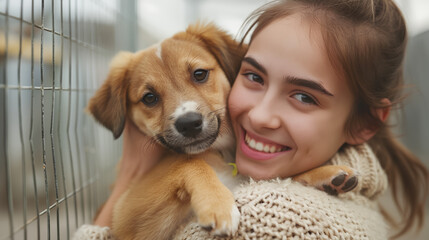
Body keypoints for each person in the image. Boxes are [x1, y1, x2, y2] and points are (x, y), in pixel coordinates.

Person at [73, 0, 429, 239]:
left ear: (363, 122)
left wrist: (133, 176)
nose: (259, 115)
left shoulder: (269, 220)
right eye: (255, 78)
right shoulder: (334, 176)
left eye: (199, 75)